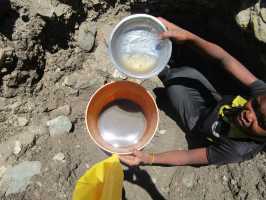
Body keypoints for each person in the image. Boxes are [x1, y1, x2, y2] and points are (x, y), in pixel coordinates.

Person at [119, 17, 266, 166]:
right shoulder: (263, 94)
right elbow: (224, 58)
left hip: (200, 122)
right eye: (254, 104)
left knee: (174, 88)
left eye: (261, 122)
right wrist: (190, 37)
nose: (249, 115)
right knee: (186, 74)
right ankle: (165, 67)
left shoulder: (236, 149)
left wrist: (149, 159)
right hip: (216, 104)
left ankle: (162, 72)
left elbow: (188, 157)